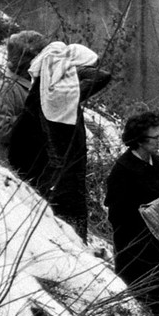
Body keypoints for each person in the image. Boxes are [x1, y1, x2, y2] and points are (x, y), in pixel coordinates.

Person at [15, 41, 112, 239]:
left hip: (56, 183)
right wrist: (69, 65)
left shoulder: (55, 97)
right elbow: (102, 76)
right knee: (68, 242)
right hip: (61, 186)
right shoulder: (56, 99)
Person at [105, 112, 159, 316]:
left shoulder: (157, 163)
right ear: (139, 140)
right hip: (135, 249)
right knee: (144, 305)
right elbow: (117, 212)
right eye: (154, 138)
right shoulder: (123, 169)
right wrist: (150, 210)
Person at [0, 30, 48, 167]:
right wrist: (31, 119)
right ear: (29, 62)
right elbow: (2, 132)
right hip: (11, 170)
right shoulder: (8, 90)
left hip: (31, 165)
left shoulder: (32, 88)